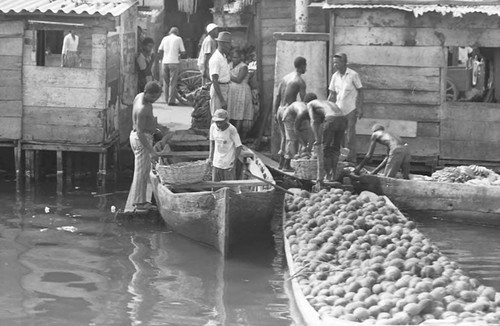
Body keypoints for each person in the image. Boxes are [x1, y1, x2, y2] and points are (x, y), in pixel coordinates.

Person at [125, 81, 163, 213]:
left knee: (143, 169)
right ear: (146, 93)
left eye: (156, 98)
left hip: (137, 136)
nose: (154, 100)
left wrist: (155, 128)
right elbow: (141, 132)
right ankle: (139, 202)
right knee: (141, 172)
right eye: (152, 97)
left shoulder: (139, 96)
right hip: (141, 139)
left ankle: (139, 199)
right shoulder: (143, 108)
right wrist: (151, 150)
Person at [295, 94, 347, 189]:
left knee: (325, 150)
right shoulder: (326, 103)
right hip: (343, 119)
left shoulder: (310, 104)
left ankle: (327, 176)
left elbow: (313, 121)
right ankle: (333, 175)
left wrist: (317, 139)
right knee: (335, 149)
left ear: (305, 103)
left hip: (332, 119)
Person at [328, 52, 363, 163]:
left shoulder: (353, 75)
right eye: (334, 62)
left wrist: (360, 108)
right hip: (338, 110)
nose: (335, 65)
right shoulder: (335, 76)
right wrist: (327, 108)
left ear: (344, 62)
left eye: (337, 62)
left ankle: (352, 160)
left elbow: (361, 92)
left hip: (350, 110)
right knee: (339, 134)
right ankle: (341, 159)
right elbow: (332, 94)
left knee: (350, 135)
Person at [274, 56, 307, 171]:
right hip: (288, 111)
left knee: (284, 138)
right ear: (302, 66)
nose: (305, 68)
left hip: (280, 109)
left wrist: (275, 112)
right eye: (305, 66)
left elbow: (277, 96)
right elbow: (304, 100)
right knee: (292, 139)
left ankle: (281, 163)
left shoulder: (285, 78)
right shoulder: (300, 81)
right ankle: (287, 165)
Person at [208, 109, 243, 182]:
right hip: (216, 162)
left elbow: (239, 147)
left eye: (221, 122)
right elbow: (212, 142)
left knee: (229, 187)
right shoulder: (213, 127)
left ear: (226, 120)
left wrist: (234, 162)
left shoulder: (232, 129)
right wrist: (210, 157)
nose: (218, 124)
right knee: (215, 187)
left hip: (228, 163)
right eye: (217, 122)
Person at [280, 93, 315, 161]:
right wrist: (304, 144)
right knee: (292, 140)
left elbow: (312, 129)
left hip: (296, 117)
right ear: (308, 103)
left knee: (305, 137)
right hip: (289, 118)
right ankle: (287, 162)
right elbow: (296, 129)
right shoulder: (302, 111)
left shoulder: (308, 110)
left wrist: (309, 146)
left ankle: (301, 155)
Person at [228, 49, 253, 138]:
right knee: (231, 113)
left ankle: (237, 136)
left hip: (241, 92)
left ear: (240, 57)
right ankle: (229, 134)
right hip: (232, 93)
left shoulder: (243, 67)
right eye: (234, 57)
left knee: (239, 113)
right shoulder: (229, 65)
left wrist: (228, 76)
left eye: (237, 57)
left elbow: (238, 80)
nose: (236, 59)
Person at [158, 27, 185, 106]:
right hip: (174, 62)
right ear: (177, 33)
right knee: (173, 82)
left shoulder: (165, 38)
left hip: (165, 62)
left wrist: (164, 56)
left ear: (169, 32)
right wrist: (178, 55)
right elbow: (183, 52)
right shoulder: (178, 39)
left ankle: (166, 99)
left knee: (166, 82)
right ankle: (171, 101)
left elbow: (159, 50)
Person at [209, 31, 232, 115]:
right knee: (217, 116)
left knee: (224, 117)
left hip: (225, 88)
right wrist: (222, 100)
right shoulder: (216, 59)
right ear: (221, 44)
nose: (229, 46)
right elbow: (215, 81)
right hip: (219, 89)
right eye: (228, 44)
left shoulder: (223, 56)